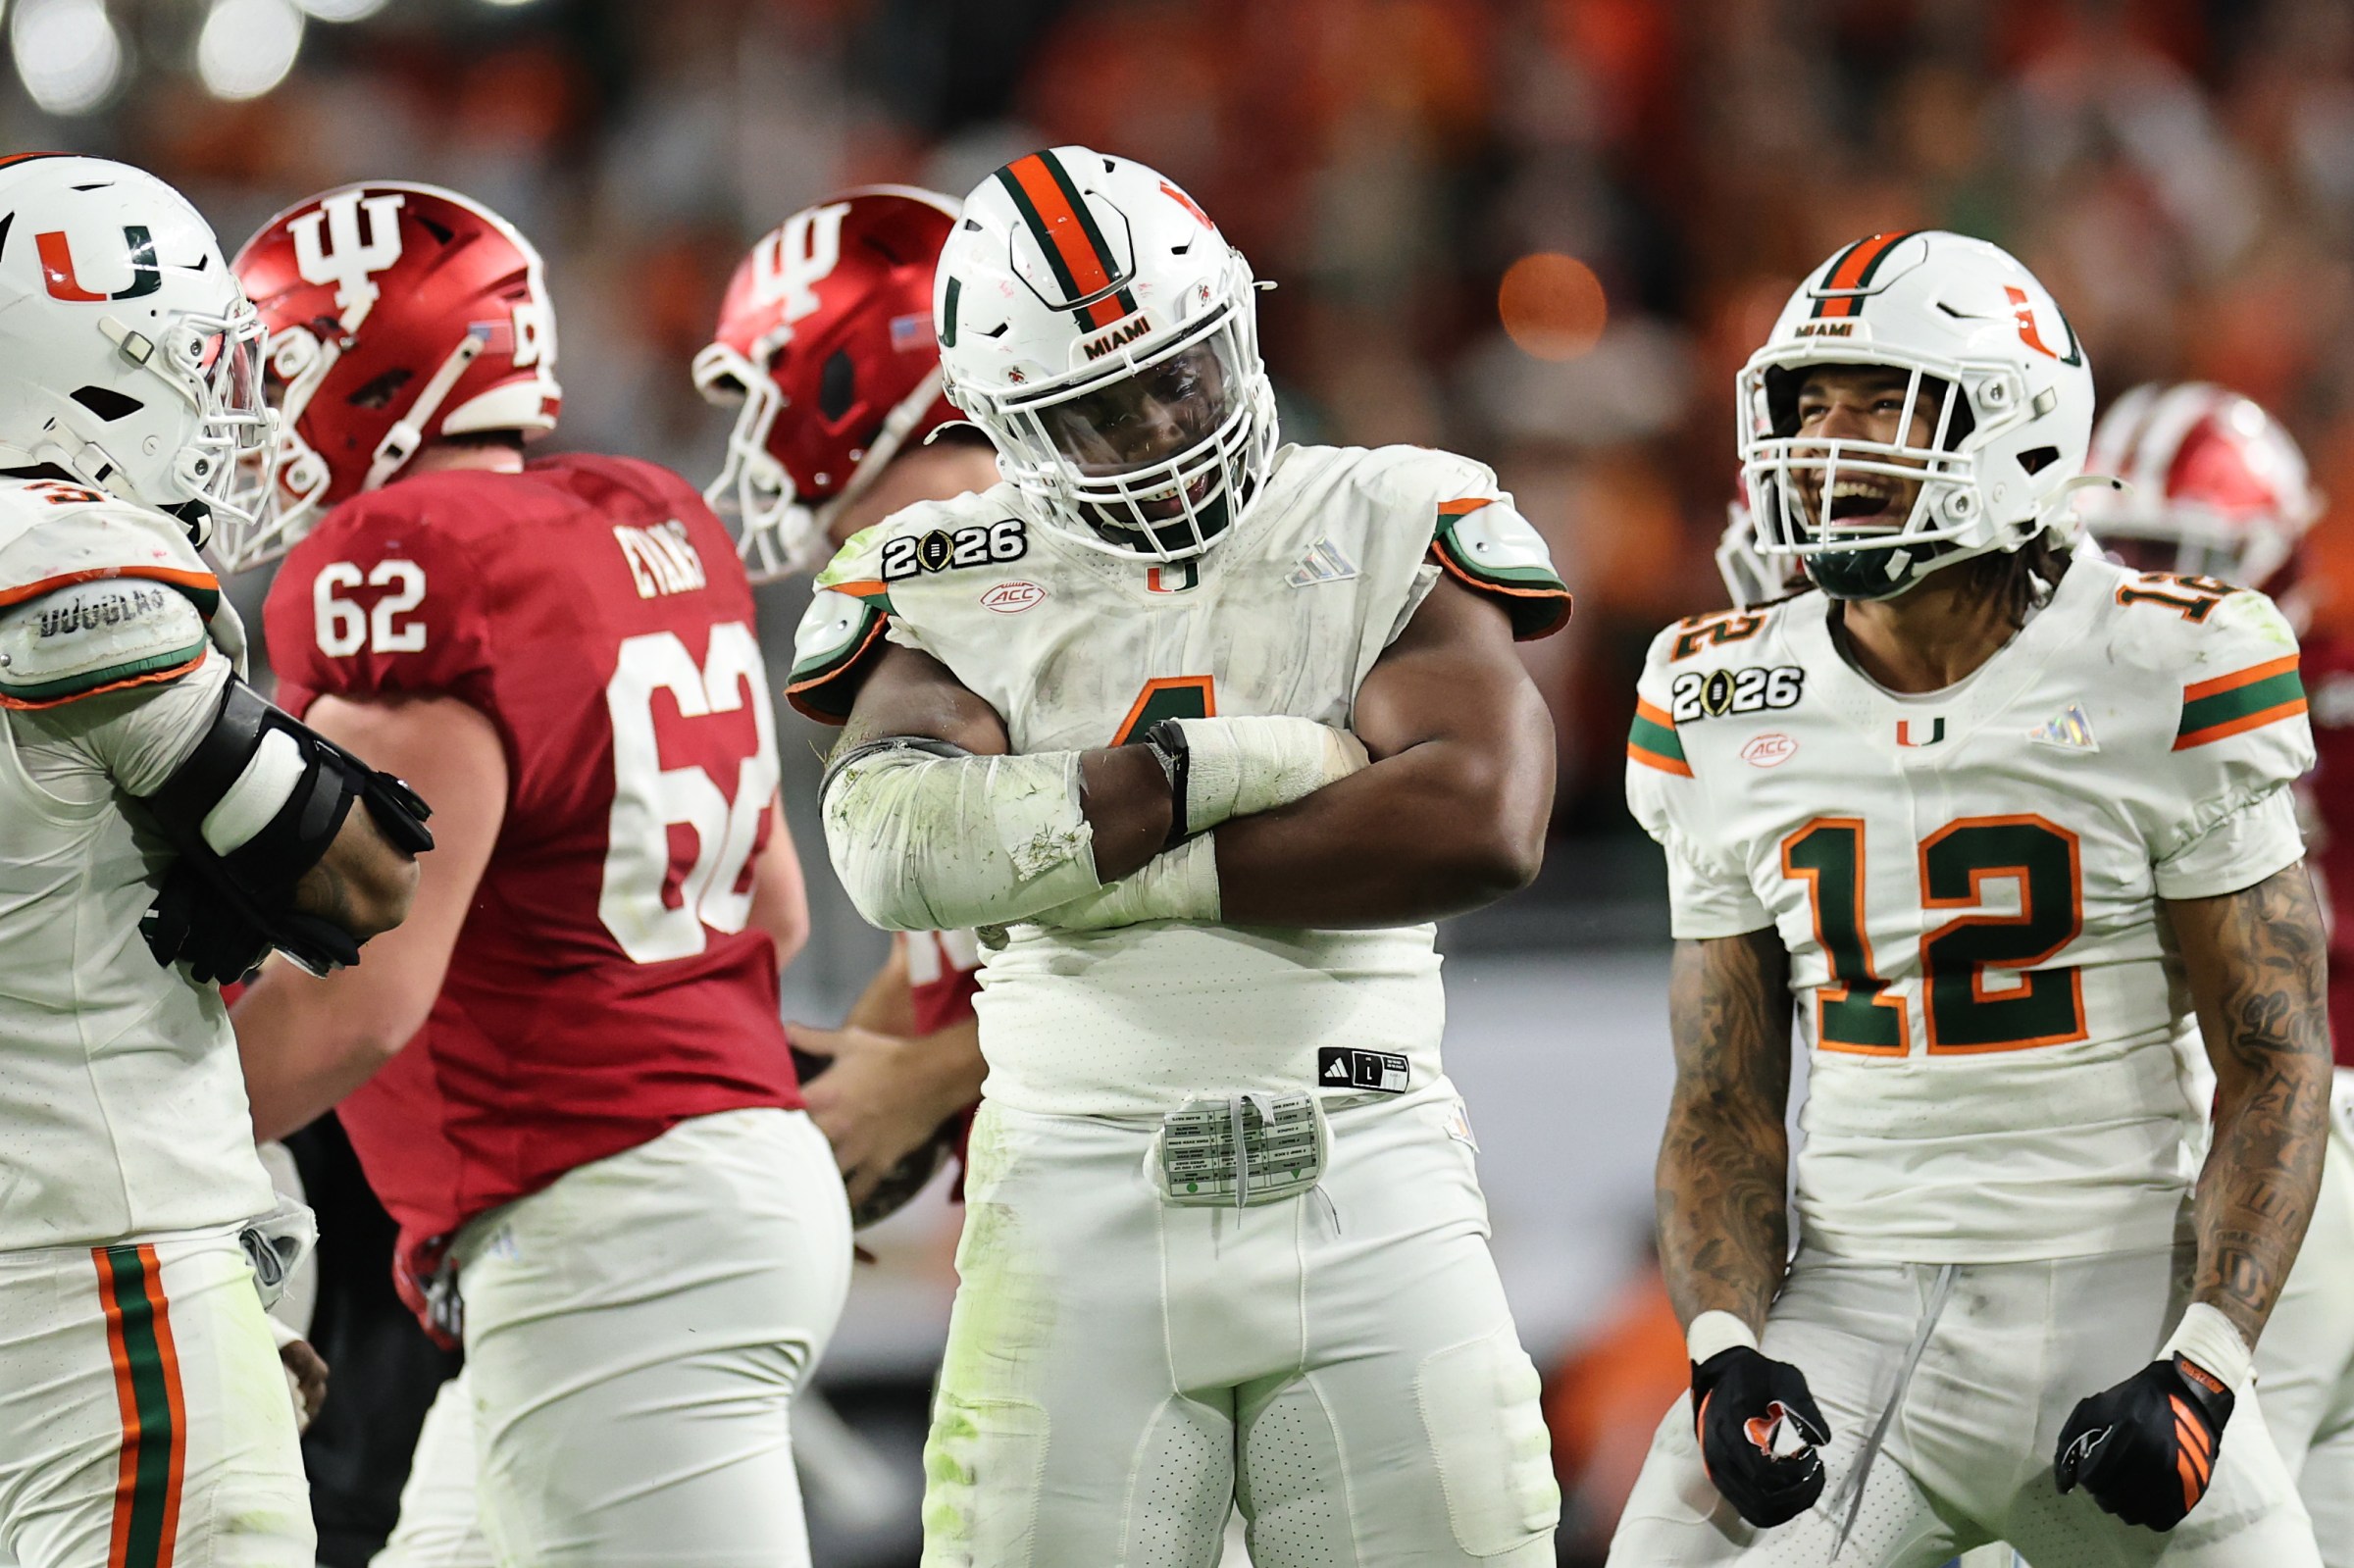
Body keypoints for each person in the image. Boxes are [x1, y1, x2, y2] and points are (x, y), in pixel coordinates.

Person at [794, 144, 1571, 1566]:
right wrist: (1225, 770)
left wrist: (1094, 849)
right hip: (1072, 1203)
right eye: (1097, 410)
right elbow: (903, 842)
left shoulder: (1389, 508)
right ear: (1007, 423)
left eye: (1182, 371)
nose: (1161, 423)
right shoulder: (941, 564)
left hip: (1369, 1172)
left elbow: (1480, 818)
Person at [1612, 230, 2329, 1566]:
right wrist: (1722, 1346)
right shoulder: (1711, 689)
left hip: (2123, 1293)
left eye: (1885, 400)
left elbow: (2277, 1059)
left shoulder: (2170, 657)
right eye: (1809, 407)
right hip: (1852, 1302)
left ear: (2020, 421)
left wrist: (2207, 1362)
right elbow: (1720, 1094)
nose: (1831, 446)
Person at [219, 180, 850, 1568]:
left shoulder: (411, 568)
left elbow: (357, 998)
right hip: (670, 1197)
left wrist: (112, 1159)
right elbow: (777, 909)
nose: (253, 418)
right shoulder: (645, 516)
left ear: (377, 370)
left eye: (276, 369)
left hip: (614, 1228)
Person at [0, 153, 423, 1568]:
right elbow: (358, 879)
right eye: (191, 365)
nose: (222, 408)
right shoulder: (75, 579)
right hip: (95, 1265)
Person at [2077, 382, 2354, 1568]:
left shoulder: (2325, 696)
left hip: (2279, 1137)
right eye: (2128, 554)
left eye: (2184, 558)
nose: (2156, 586)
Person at [693, 184, 998, 1217]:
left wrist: (925, 1081)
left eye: (768, 392)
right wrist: (853, 1082)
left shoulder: (991, 563)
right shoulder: (924, 568)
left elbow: (1179, 914)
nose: (757, 440)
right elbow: (974, 939)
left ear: (850, 374)